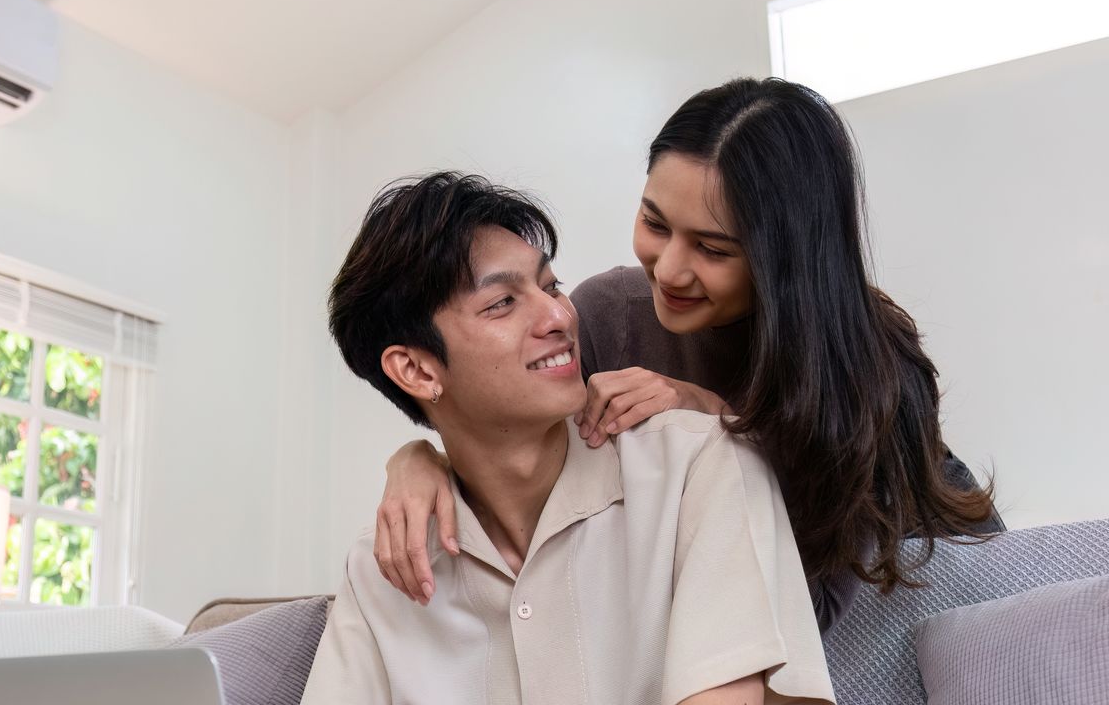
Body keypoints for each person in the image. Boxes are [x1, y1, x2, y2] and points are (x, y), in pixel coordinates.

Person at [244, 172, 834, 705]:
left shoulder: (698, 466)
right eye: (503, 304)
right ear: (415, 367)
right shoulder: (393, 563)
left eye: (550, 287)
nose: (559, 315)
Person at [372, 78, 1001, 631]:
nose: (669, 269)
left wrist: (723, 424)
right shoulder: (610, 314)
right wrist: (420, 457)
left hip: (916, 603)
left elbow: (809, 606)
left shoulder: (866, 358)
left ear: (787, 262)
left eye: (714, 249)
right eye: (654, 221)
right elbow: (502, 426)